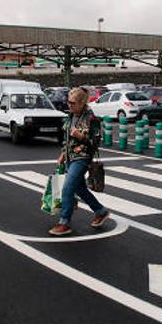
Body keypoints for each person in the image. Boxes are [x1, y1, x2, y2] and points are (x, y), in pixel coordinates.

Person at [48, 87, 108, 236]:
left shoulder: (91, 119)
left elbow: (95, 141)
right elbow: (67, 139)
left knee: (68, 187)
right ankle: (100, 211)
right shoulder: (70, 116)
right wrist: (63, 153)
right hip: (70, 157)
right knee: (79, 188)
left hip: (82, 158)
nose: (70, 105)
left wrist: (81, 137)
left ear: (82, 103)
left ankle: (64, 222)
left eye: (73, 103)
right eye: (68, 102)